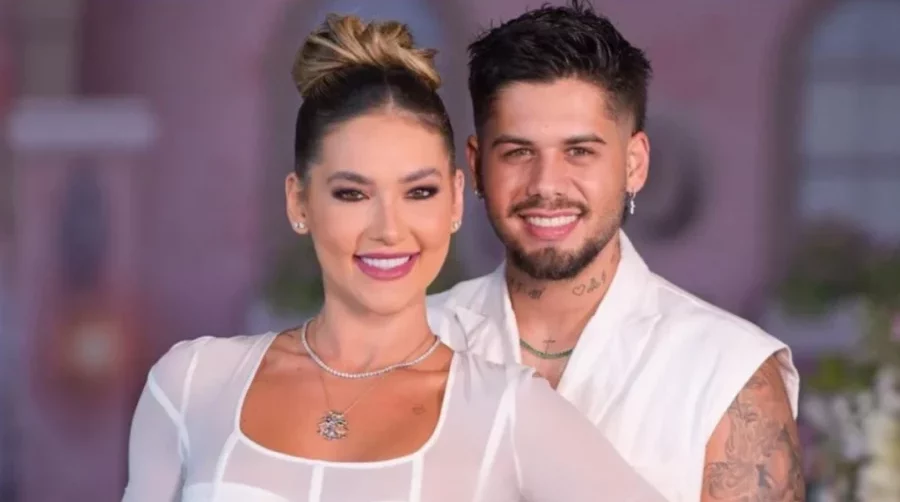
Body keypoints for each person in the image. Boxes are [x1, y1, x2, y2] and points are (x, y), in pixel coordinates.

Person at [122, 13, 666, 502]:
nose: (388, 229)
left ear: (456, 200)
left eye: (419, 192)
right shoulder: (192, 383)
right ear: (298, 202)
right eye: (352, 193)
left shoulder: (510, 412)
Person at [427, 2, 803, 501]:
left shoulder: (728, 368)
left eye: (579, 152)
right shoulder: (413, 339)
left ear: (634, 164)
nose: (546, 185)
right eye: (518, 152)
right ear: (476, 166)